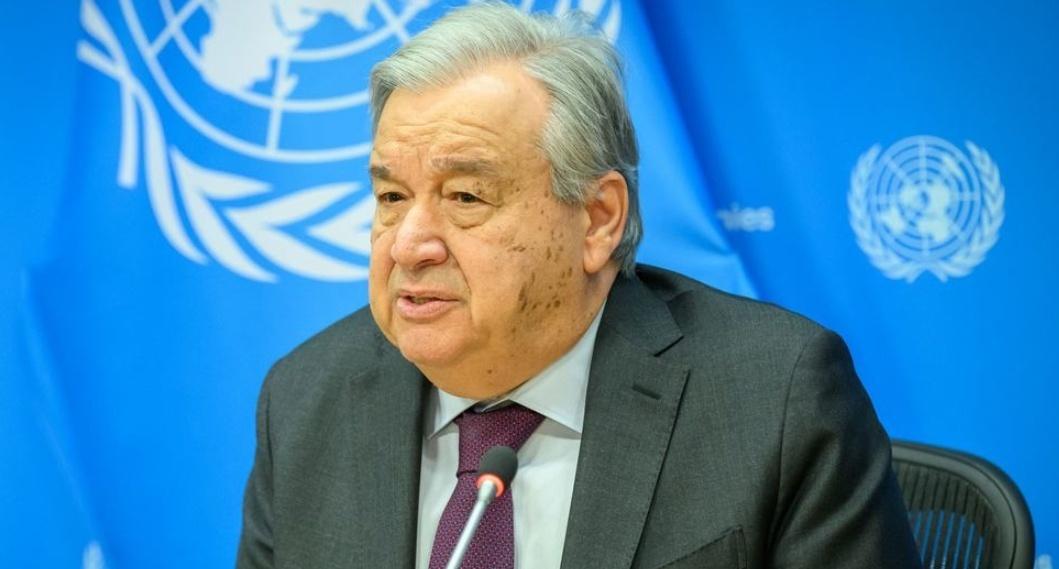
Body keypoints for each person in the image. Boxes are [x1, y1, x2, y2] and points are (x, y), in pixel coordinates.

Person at [236, 3, 922, 568]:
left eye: (466, 196)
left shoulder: (773, 397)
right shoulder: (306, 399)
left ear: (597, 219)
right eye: (391, 197)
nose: (409, 245)